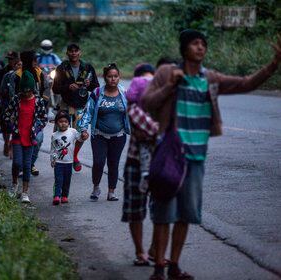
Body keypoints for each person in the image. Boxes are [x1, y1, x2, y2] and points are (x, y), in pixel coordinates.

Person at [142, 30, 281, 280]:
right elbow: (147, 102)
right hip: (170, 153)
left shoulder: (210, 78)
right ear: (184, 48)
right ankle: (158, 268)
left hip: (197, 156)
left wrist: (272, 66)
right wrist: (171, 86)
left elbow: (245, 83)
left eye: (203, 44)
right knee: (164, 214)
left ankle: (174, 265)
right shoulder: (166, 73)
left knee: (186, 214)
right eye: (195, 43)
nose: (200, 47)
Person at [121, 63, 157, 267]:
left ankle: (154, 249)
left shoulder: (163, 104)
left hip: (160, 163)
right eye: (145, 79)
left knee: (161, 209)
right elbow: (156, 130)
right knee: (136, 209)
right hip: (136, 162)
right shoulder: (133, 108)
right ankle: (140, 251)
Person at [78, 63, 130, 201]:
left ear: (119, 77)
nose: (113, 79)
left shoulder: (124, 93)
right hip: (99, 135)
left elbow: (133, 112)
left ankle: (111, 192)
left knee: (114, 163)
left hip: (119, 136)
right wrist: (83, 129)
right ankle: (96, 188)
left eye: (115, 76)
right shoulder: (97, 93)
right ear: (105, 78)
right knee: (99, 162)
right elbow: (88, 112)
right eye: (110, 76)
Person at [52, 43, 99, 172]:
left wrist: (89, 85)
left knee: (81, 134)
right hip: (65, 104)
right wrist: (68, 87)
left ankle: (74, 156)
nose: (73, 53)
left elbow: (96, 87)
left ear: (80, 53)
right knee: (62, 133)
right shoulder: (61, 68)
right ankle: (60, 157)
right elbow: (55, 89)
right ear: (67, 53)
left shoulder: (88, 68)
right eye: (71, 51)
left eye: (76, 51)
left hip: (81, 106)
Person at [4, 70, 47, 203]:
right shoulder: (16, 99)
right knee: (17, 162)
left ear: (32, 89)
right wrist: (12, 126)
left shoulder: (38, 101)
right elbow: (6, 115)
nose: (26, 93)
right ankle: (14, 184)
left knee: (27, 165)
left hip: (30, 137)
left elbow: (43, 118)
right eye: (24, 90)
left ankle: (25, 192)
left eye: (29, 90)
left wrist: (36, 129)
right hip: (17, 135)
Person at [14, 50, 49, 176]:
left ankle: (30, 163)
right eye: (34, 60)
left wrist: (44, 102)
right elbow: (13, 95)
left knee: (38, 139)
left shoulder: (40, 73)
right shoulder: (17, 75)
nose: (36, 62)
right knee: (23, 141)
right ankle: (23, 166)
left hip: (37, 112)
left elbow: (46, 89)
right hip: (22, 114)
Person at [50, 110, 82, 205]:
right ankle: (56, 196)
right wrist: (52, 159)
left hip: (69, 162)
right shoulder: (54, 135)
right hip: (59, 162)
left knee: (67, 180)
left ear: (69, 123)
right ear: (56, 123)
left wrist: (84, 135)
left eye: (65, 122)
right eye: (60, 121)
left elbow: (80, 138)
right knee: (58, 179)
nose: (63, 124)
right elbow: (53, 149)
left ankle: (64, 196)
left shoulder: (72, 131)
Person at [0, 51, 21, 157]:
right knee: (6, 124)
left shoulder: (23, 74)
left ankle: (12, 145)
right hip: (7, 102)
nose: (10, 61)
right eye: (9, 59)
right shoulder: (5, 73)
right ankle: (6, 142)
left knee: (17, 125)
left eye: (12, 59)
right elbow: (0, 87)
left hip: (19, 103)